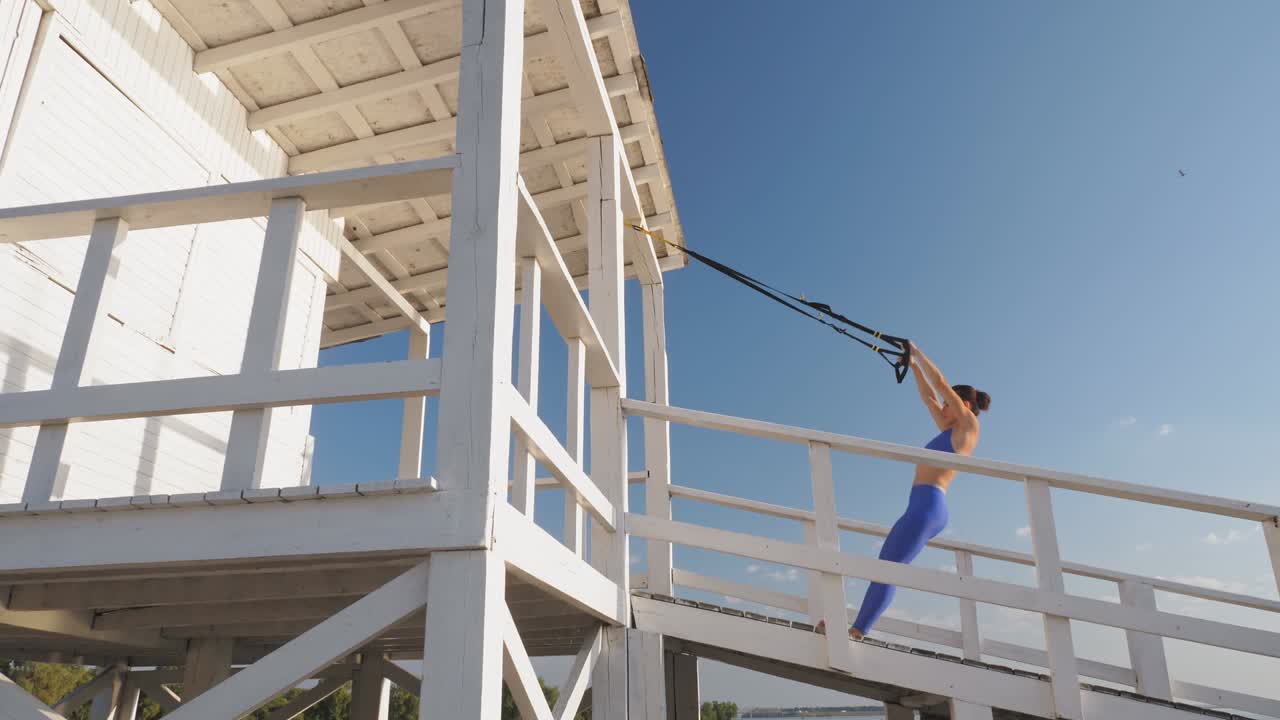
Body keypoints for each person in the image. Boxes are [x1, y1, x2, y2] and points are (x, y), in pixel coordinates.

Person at [819, 343, 990, 640]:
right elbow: (928, 396)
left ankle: (858, 631)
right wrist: (912, 366)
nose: (943, 406)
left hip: (928, 508)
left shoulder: (968, 426)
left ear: (963, 405)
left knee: (889, 569)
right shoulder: (949, 430)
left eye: (949, 403)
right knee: (886, 565)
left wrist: (920, 353)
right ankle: (856, 627)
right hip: (922, 506)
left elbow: (940, 384)